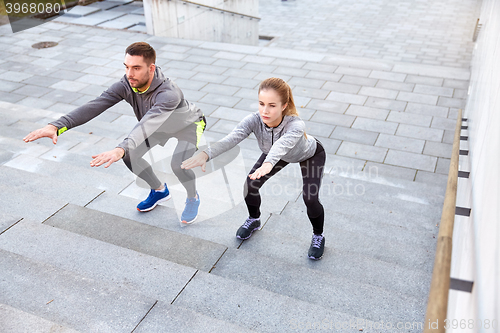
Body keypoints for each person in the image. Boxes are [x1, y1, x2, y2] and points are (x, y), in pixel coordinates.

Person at [23, 42, 206, 224]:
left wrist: (120, 148)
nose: (129, 74)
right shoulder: (127, 84)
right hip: (157, 126)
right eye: (126, 67)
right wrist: (56, 126)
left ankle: (192, 197)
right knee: (130, 155)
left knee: (178, 165)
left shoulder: (168, 93)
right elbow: (96, 105)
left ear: (151, 68)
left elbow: (147, 124)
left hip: (187, 125)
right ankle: (159, 191)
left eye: (136, 68)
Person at [181, 77, 326, 260]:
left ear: (284, 106)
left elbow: (280, 147)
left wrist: (267, 164)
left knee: (310, 198)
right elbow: (232, 138)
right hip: (274, 156)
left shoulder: (296, 125)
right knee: (250, 186)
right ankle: (254, 219)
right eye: (261, 103)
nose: (265, 110)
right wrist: (206, 154)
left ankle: (318, 236)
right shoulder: (254, 120)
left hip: (309, 154)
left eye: (272, 105)